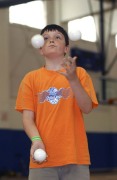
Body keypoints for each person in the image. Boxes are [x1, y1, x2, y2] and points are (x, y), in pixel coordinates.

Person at [15, 24, 98, 180]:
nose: (51, 40)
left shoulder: (79, 73)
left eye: (57, 37)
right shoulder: (30, 79)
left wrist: (72, 79)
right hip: (43, 159)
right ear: (40, 48)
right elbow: (27, 118)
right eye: (46, 38)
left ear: (66, 48)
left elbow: (87, 108)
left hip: (76, 158)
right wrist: (36, 140)